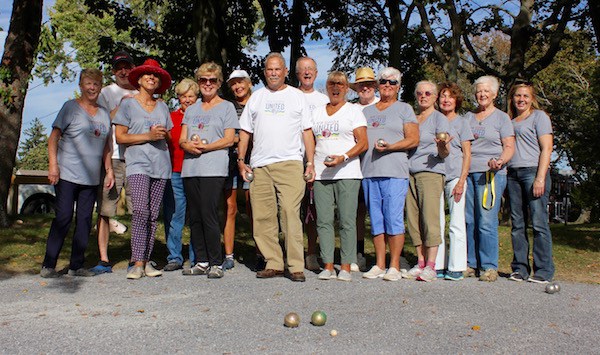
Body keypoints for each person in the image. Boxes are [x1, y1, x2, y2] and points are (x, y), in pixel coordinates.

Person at [237, 52, 316, 282]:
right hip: (260, 165)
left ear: (285, 72)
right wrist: (241, 161)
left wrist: (310, 162)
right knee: (263, 217)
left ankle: (295, 265)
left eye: (277, 69)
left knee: (290, 213)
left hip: (290, 163)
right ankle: (273, 262)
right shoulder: (257, 98)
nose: (273, 73)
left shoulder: (297, 97)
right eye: (269, 69)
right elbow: (245, 132)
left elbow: (307, 132)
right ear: (264, 72)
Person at [41, 68, 114, 278]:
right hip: (67, 174)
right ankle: (49, 264)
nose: (92, 88)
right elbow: (53, 137)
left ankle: (76, 266)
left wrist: (109, 171)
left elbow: (106, 145)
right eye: (88, 83)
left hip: (90, 178)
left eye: (96, 84)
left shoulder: (103, 114)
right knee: (63, 217)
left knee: (84, 220)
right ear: (81, 86)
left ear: (100, 87)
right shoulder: (70, 108)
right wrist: (53, 166)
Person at [113, 58, 173, 279]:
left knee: (152, 214)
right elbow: (120, 136)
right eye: (147, 74)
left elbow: (168, 134)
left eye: (155, 75)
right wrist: (147, 136)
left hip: (161, 164)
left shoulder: (163, 106)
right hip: (137, 164)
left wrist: (163, 134)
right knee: (140, 210)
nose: (151, 77)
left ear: (159, 82)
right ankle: (136, 262)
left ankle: (146, 262)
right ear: (138, 79)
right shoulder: (128, 104)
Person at [179, 62, 239, 279]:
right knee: (194, 216)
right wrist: (188, 145)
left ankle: (216, 262)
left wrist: (206, 147)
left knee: (209, 213)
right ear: (198, 82)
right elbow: (182, 139)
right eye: (203, 80)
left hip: (213, 168)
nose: (207, 84)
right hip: (190, 168)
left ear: (219, 83)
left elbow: (230, 138)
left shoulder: (226, 107)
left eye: (212, 80)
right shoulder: (192, 108)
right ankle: (201, 260)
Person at [360, 67, 419, 281]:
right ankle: (379, 264)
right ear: (378, 84)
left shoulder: (404, 109)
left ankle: (394, 265)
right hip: (369, 171)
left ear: (399, 87)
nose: (387, 85)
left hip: (395, 171)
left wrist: (391, 146)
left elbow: (413, 139)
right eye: (383, 81)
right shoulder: (366, 112)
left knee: (393, 218)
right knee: (376, 219)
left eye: (392, 82)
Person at [311, 71, 368, 282]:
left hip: (347, 172)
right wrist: (309, 164)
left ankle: (345, 265)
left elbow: (363, 142)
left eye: (340, 84)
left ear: (346, 88)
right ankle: (327, 265)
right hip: (321, 172)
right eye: (331, 84)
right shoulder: (316, 112)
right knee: (324, 220)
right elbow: (310, 140)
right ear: (326, 87)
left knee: (346, 220)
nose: (336, 87)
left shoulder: (353, 111)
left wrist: (343, 157)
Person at [89, 51, 137, 275]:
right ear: (113, 71)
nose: (123, 71)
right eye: (119, 67)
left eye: (127, 66)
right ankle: (104, 258)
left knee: (139, 210)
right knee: (106, 210)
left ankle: (137, 257)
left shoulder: (142, 91)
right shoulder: (107, 93)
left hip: (138, 158)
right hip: (114, 156)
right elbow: (99, 121)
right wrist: (122, 106)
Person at [464, 75, 515, 282]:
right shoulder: (467, 117)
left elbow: (509, 146)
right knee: (468, 220)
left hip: (491, 174)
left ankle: (489, 266)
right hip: (467, 173)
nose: (482, 94)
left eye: (486, 91)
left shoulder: (502, 118)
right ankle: (470, 263)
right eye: (479, 91)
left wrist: (500, 161)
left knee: (486, 221)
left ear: (494, 94)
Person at [506, 80, 554, 283]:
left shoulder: (539, 117)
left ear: (532, 98)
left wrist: (540, 177)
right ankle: (520, 268)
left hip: (533, 172)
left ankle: (543, 270)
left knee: (538, 223)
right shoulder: (509, 121)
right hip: (512, 174)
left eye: (525, 96)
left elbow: (547, 148)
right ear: (512, 98)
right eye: (518, 95)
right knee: (517, 224)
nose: (521, 99)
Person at [403, 81, 450, 282]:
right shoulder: (412, 118)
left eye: (428, 93)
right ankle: (420, 261)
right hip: (409, 172)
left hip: (430, 172)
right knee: (413, 220)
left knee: (430, 219)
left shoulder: (439, 119)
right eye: (420, 93)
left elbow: (445, 151)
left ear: (435, 96)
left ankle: (432, 265)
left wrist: (441, 146)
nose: (423, 96)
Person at [436, 82, 473, 281]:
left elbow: (467, 154)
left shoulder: (462, 122)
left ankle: (457, 266)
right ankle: (438, 264)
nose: (446, 100)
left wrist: (462, 180)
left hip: (455, 178)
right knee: (437, 223)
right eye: (443, 96)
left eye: (450, 96)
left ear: (456, 100)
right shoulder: (433, 120)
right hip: (435, 177)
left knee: (456, 223)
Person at [295, 56, 329, 272]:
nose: (307, 72)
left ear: (316, 74)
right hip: (292, 159)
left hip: (316, 161)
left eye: (311, 69)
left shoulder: (323, 100)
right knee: (293, 209)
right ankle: (294, 253)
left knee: (314, 210)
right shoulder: (290, 96)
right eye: (303, 69)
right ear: (297, 73)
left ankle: (311, 253)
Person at [162, 78, 199, 272]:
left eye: (191, 95)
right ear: (178, 98)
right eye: (183, 96)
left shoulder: (202, 117)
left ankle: (196, 257)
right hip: (175, 171)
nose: (187, 99)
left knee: (195, 214)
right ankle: (174, 256)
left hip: (195, 172)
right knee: (175, 215)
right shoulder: (171, 117)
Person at [223, 69, 254, 271]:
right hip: (230, 161)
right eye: (233, 83)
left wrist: (240, 138)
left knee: (254, 207)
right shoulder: (227, 107)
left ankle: (261, 252)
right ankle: (229, 255)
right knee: (230, 208)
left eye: (240, 82)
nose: (237, 86)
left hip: (253, 159)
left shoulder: (258, 101)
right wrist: (234, 139)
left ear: (248, 83)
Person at [349, 66, 379, 272]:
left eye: (368, 84)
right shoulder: (351, 108)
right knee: (356, 211)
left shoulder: (383, 105)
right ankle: (358, 251)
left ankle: (386, 256)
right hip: (354, 166)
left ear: (375, 87)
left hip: (378, 165)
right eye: (361, 85)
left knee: (380, 211)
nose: (365, 88)